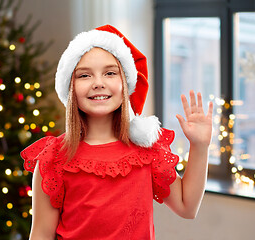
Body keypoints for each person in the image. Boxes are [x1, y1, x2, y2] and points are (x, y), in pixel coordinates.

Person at [21, 25, 213, 240]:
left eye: (110, 73)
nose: (98, 83)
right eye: (84, 75)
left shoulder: (147, 150)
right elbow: (41, 234)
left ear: (125, 83)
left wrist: (200, 146)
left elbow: (187, 207)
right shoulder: (54, 158)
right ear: (70, 87)